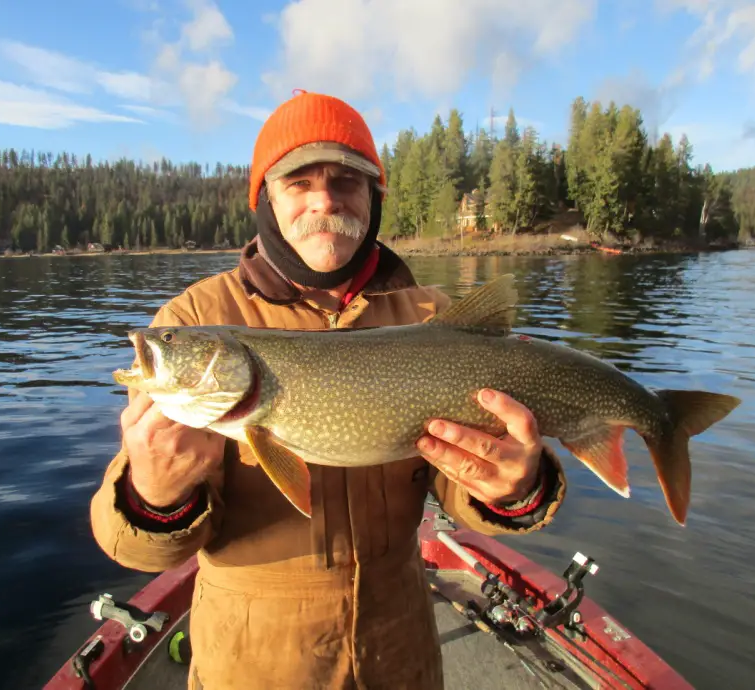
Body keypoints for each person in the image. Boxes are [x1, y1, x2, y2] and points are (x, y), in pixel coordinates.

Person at [91, 90, 567, 690]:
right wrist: (152, 494)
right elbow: (137, 550)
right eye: (298, 182)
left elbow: (465, 490)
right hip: (255, 666)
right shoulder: (192, 318)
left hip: (403, 658)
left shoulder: (434, 319)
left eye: (346, 181)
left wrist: (517, 486)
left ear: (374, 198)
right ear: (266, 199)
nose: (324, 198)